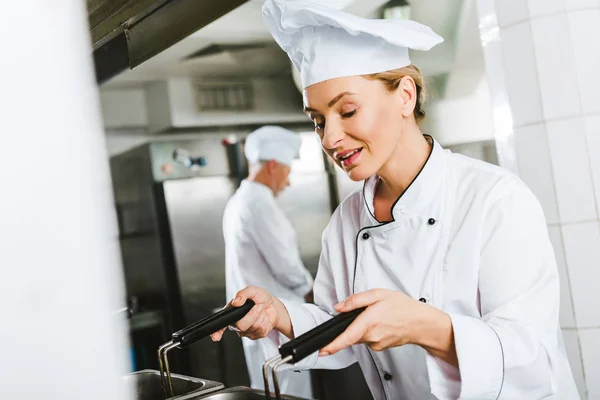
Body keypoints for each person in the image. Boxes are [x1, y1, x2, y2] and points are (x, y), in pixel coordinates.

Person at [213, 1, 580, 399]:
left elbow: (531, 359)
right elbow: (340, 324)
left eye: (347, 110)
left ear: (405, 96)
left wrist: (422, 326)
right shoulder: (347, 220)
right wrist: (280, 314)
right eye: (318, 121)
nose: (329, 138)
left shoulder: (494, 199)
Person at [222, 125, 313, 398]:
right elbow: (286, 266)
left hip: (256, 320)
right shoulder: (259, 204)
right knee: (287, 394)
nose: (288, 181)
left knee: (268, 390)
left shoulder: (239, 201)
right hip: (276, 322)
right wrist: (312, 292)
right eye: (287, 171)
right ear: (273, 165)